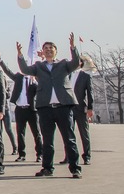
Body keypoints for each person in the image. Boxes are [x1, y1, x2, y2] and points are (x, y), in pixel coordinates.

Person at [17, 33, 83, 178]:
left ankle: (75, 168)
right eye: (46, 48)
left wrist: (73, 47)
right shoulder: (38, 66)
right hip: (45, 107)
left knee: (69, 139)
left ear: (56, 51)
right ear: (43, 51)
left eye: (51, 48)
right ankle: (47, 168)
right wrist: (20, 55)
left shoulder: (64, 64)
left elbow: (76, 62)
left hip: (63, 107)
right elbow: (25, 70)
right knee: (47, 141)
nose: (48, 50)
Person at [0, 51, 42, 163]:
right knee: (20, 133)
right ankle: (22, 154)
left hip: (32, 110)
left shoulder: (35, 79)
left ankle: (40, 154)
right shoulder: (18, 77)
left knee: (36, 133)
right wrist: (0, 60)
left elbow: (43, 85)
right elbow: (7, 71)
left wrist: (36, 80)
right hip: (20, 109)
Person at [62, 58, 93, 165]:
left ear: (81, 64)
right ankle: (68, 156)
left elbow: (90, 93)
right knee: (68, 134)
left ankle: (87, 156)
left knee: (84, 134)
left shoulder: (85, 76)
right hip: (68, 107)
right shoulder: (67, 75)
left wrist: (90, 108)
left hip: (80, 108)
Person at [1, 81, 18, 155]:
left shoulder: (6, 86)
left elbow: (8, 96)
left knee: (9, 129)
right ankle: (0, 149)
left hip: (6, 109)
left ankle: (15, 147)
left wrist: (3, 89)